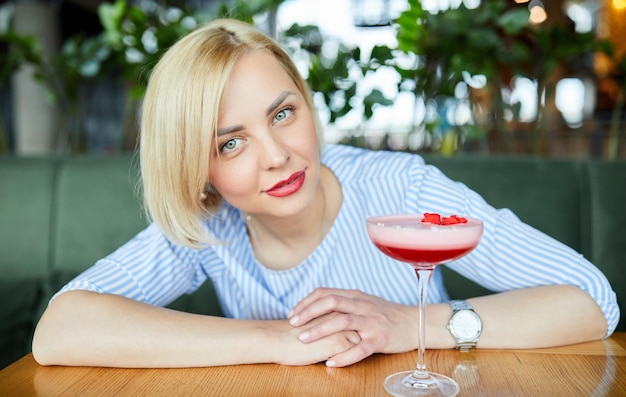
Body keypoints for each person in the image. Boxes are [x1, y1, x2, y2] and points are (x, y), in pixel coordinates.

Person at [32, 19, 618, 369]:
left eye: (283, 113)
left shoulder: (398, 187)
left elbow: (591, 299)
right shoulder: (207, 223)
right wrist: (278, 338)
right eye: (230, 144)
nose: (278, 154)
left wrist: (410, 325)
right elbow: (59, 330)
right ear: (197, 170)